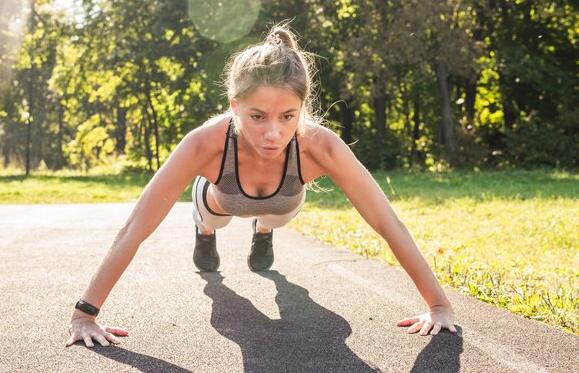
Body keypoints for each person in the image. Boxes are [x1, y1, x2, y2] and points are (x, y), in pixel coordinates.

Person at [66, 22, 456, 348]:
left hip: (283, 201)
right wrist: (85, 313)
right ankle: (204, 232)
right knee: (220, 263)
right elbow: (135, 227)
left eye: (288, 116)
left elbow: (388, 223)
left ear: (302, 108)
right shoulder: (204, 142)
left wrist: (438, 305)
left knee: (283, 228)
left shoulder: (321, 147)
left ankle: (264, 231)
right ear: (234, 107)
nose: (273, 133)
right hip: (221, 199)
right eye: (257, 116)